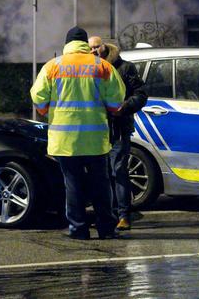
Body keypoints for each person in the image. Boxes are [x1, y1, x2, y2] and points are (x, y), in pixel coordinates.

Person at [30, 27, 126, 240]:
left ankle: (78, 229)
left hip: (65, 140)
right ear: (85, 43)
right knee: (101, 184)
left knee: (72, 184)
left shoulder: (52, 66)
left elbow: (38, 98)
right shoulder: (103, 66)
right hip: (95, 139)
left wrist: (46, 110)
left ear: (67, 44)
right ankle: (106, 228)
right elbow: (115, 102)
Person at [88, 36, 147, 230]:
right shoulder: (89, 68)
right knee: (102, 175)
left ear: (104, 46)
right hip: (96, 129)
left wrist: (124, 107)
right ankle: (107, 215)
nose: (94, 51)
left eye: (97, 46)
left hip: (119, 127)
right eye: (90, 48)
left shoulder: (124, 67)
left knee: (118, 171)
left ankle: (123, 216)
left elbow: (140, 94)